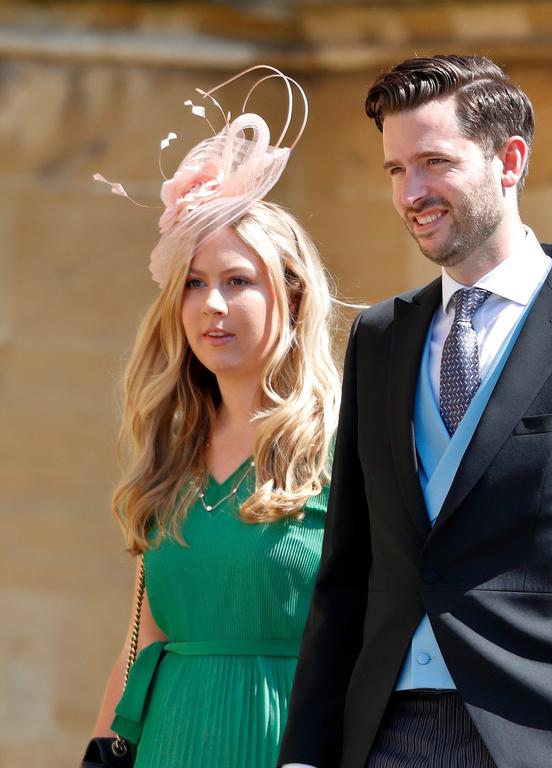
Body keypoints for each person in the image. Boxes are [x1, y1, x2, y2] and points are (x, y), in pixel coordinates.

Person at [278, 55, 552, 768]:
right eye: (393, 170)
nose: (411, 193)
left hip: (544, 741)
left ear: (510, 160)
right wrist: (304, 755)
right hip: (383, 739)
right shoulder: (379, 339)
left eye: (433, 163)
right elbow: (346, 574)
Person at [85, 66, 340, 768]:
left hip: (291, 743)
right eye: (193, 284)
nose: (211, 305)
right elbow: (145, 638)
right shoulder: (171, 453)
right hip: (169, 741)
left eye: (237, 281)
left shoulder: (347, 445)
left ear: (290, 293)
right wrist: (99, 750)